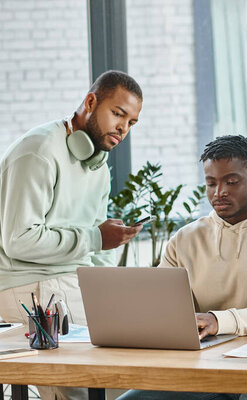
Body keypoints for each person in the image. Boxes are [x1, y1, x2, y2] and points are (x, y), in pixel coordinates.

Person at [119, 135, 247, 400]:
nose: (219, 192)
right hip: (202, 370)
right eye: (211, 183)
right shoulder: (185, 239)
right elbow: (161, 306)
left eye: (231, 182)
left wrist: (220, 321)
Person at [0, 70, 144, 399]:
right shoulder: (38, 152)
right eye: (118, 114)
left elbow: (95, 242)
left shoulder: (97, 164)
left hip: (70, 282)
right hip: (31, 286)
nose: (123, 128)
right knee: (87, 390)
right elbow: (19, 239)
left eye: (132, 123)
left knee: (131, 371)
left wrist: (107, 282)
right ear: (90, 102)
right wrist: (95, 238)